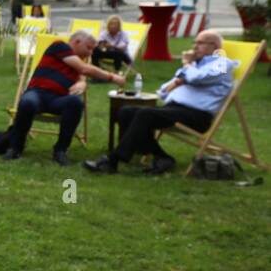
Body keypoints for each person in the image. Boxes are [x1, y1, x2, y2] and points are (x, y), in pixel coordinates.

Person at [84, 30, 235, 175]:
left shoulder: (222, 63)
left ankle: (112, 161)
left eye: (200, 43)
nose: (195, 46)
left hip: (197, 115)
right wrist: (182, 77)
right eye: (195, 42)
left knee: (145, 114)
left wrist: (186, 68)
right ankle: (162, 158)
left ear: (214, 46)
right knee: (126, 111)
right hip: (174, 109)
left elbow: (196, 78)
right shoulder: (196, 64)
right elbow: (165, 89)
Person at [2, 30, 123, 165]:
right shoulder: (59, 46)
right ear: (77, 42)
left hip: (57, 99)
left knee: (75, 103)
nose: (90, 53)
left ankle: (60, 151)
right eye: (88, 48)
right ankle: (15, 148)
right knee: (27, 102)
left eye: (92, 50)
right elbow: (84, 69)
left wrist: (82, 83)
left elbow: (82, 75)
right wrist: (112, 76)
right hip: (37, 93)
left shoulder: (78, 61)